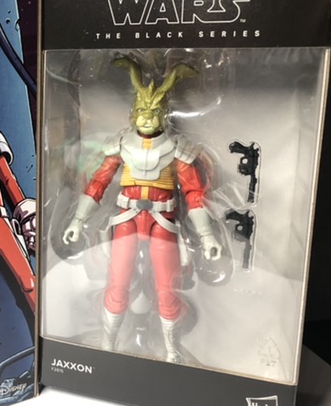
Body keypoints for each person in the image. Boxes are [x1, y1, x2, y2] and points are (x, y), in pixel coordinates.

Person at [63, 57, 223, 363]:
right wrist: (78, 220)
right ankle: (109, 345)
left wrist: (207, 237)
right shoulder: (120, 144)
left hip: (163, 221)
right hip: (127, 218)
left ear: (163, 114)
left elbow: (194, 195)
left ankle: (171, 350)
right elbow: (97, 184)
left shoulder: (177, 149)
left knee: (167, 287)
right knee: (117, 282)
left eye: (154, 112)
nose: (147, 117)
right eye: (142, 111)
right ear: (133, 113)